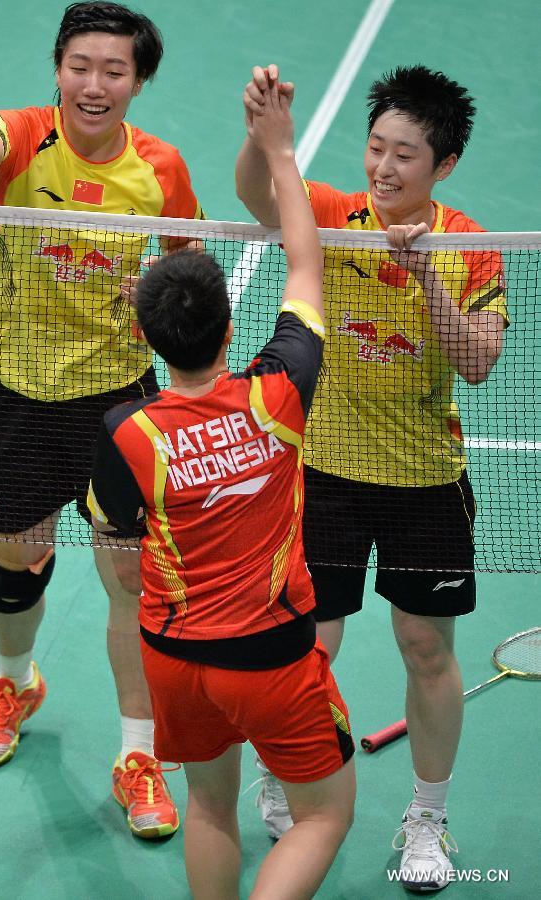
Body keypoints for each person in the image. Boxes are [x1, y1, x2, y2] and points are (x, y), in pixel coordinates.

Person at [0, 2, 202, 839]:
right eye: (80, 65)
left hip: (118, 401)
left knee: (129, 578)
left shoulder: (161, 168)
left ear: (138, 81)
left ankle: (138, 751)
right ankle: (14, 678)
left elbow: (188, 267)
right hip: (15, 389)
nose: (94, 83)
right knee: (13, 556)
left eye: (114, 70)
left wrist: (157, 308)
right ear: (57, 69)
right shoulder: (27, 133)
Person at [236, 64, 508, 890]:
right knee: (307, 643)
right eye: (375, 148)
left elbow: (480, 364)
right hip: (320, 475)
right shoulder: (330, 214)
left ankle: (427, 814)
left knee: (425, 647)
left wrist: (425, 272)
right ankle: (286, 773)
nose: (383, 169)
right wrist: (262, 135)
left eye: (405, 156)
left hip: (424, 480)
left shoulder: (470, 246)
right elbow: (255, 196)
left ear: (443, 165)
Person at [88, 73, 355, 899]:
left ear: (144, 332)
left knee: (208, 808)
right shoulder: (277, 394)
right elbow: (305, 263)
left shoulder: (125, 432)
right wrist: (279, 147)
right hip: (270, 655)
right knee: (322, 816)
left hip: (171, 654)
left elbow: (118, 543)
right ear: (230, 328)